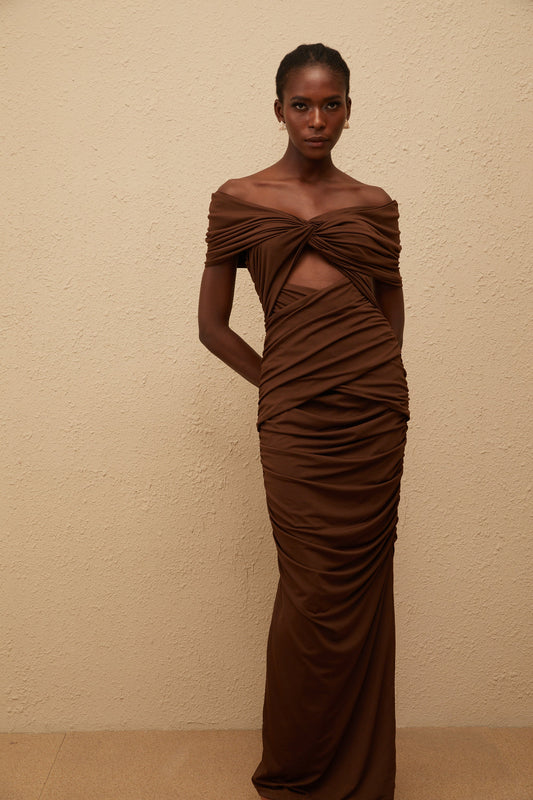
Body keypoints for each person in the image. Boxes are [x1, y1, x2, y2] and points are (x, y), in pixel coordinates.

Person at [198, 43, 409, 800]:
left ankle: (361, 774)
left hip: (372, 415)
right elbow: (212, 327)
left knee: (362, 588)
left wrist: (367, 378)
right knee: (310, 591)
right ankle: (297, 770)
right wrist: (281, 384)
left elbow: (390, 317)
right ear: (279, 109)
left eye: (330, 104)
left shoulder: (374, 204)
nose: (316, 119)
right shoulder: (238, 199)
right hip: (294, 417)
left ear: (349, 111)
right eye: (301, 104)